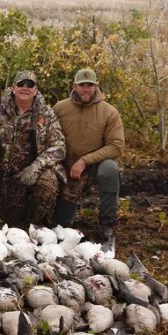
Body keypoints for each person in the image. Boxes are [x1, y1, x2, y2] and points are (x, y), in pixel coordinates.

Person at [53, 67, 125, 251]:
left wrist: (85, 160)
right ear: (74, 86)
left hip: (92, 167)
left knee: (110, 169)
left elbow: (116, 146)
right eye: (82, 85)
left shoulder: (109, 112)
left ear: (96, 87)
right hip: (67, 168)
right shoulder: (60, 108)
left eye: (90, 85)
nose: (86, 89)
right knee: (62, 224)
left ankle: (107, 225)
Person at [0, 70, 66, 228]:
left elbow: (59, 146)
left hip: (31, 176)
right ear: (13, 88)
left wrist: (36, 166)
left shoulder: (47, 115)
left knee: (48, 181)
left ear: (36, 90)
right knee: (1, 220)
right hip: (1, 178)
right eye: (21, 84)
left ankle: (34, 227)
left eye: (30, 85)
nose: (25, 87)